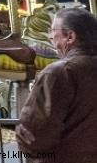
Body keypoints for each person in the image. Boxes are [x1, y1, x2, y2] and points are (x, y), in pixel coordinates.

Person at [16, 8, 97, 162]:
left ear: (70, 36)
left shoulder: (59, 73)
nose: (51, 36)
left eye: (53, 31)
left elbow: (35, 135)